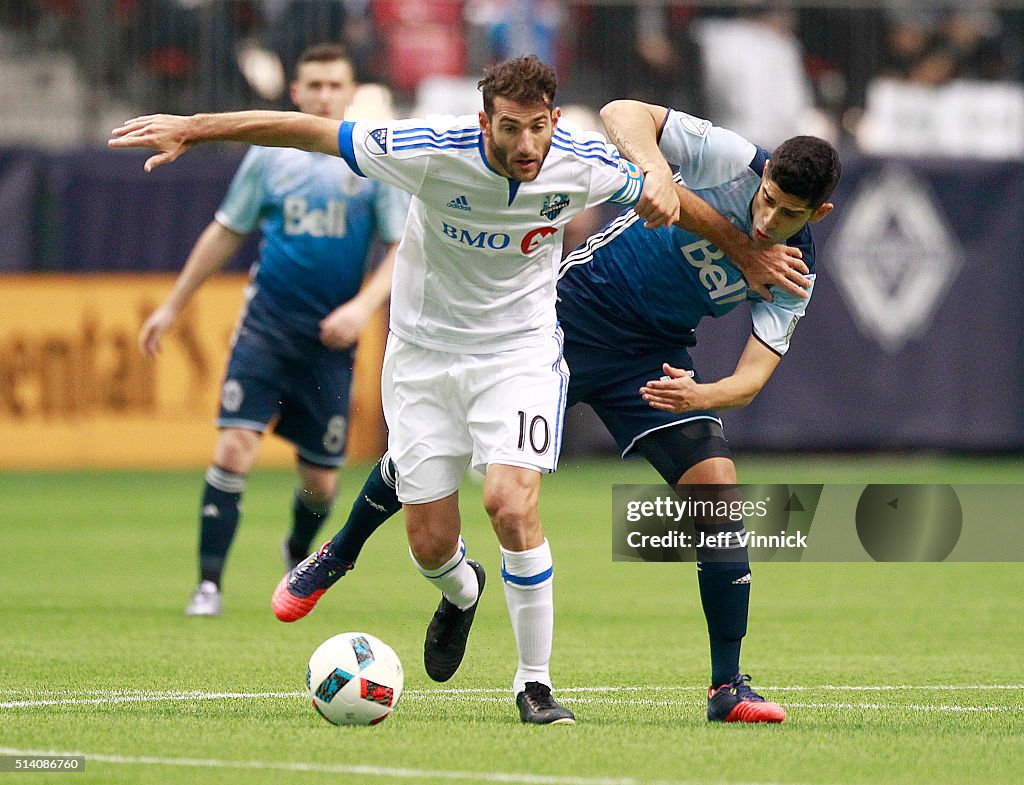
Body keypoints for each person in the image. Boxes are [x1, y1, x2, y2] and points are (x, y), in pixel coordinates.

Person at [110, 55, 807, 725]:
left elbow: (673, 205)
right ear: (483, 121)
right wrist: (196, 127)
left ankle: (541, 682)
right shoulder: (428, 147)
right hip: (434, 352)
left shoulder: (583, 162)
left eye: (539, 127)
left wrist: (731, 245)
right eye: (510, 127)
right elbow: (312, 133)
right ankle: (452, 588)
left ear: (555, 121)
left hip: (524, 351)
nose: (527, 144)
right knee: (431, 543)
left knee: (513, 501)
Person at [268, 99, 839, 724]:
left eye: (788, 214)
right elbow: (624, 112)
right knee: (440, 444)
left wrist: (704, 395)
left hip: (650, 357)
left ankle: (727, 687)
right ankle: (340, 551)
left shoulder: (796, 269)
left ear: (819, 214)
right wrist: (655, 172)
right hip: (567, 314)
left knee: (717, 493)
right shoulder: (731, 158)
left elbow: (752, 379)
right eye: (767, 198)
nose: (768, 218)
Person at [135, 43, 408, 618]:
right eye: (315, 85)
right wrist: (173, 306)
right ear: (296, 93)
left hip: (332, 340)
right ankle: (208, 584)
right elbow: (226, 230)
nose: (325, 95)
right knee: (234, 446)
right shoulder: (269, 156)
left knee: (321, 485)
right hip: (267, 326)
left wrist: (362, 309)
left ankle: (298, 557)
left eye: (336, 85)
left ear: (351, 91)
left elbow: (402, 250)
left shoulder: (370, 162)